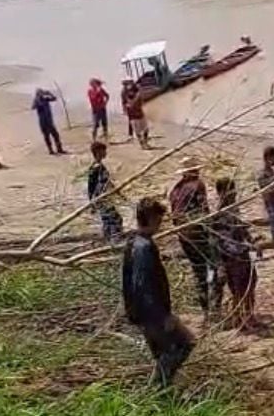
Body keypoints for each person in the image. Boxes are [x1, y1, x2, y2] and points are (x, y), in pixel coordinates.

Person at [122, 197, 194, 386]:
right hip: (151, 315)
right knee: (182, 345)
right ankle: (157, 390)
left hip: (143, 313)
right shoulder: (143, 247)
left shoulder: (133, 242)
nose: (160, 225)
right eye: (159, 220)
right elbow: (143, 286)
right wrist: (163, 316)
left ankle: (162, 392)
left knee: (164, 353)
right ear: (151, 218)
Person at [168, 157, 221, 318]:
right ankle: (216, 308)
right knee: (216, 266)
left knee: (198, 272)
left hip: (183, 235)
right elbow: (203, 211)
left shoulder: (175, 190)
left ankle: (205, 310)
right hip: (197, 233)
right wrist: (213, 230)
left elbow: (175, 215)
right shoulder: (198, 185)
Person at [213, 177, 259, 331]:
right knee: (239, 290)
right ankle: (241, 320)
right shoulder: (219, 215)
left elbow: (241, 229)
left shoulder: (233, 209)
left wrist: (251, 242)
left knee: (250, 285)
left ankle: (247, 317)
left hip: (242, 254)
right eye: (230, 191)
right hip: (233, 258)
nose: (234, 194)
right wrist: (244, 247)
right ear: (222, 193)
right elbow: (224, 241)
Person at [86, 141, 123, 242]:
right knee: (116, 219)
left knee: (107, 220)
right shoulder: (95, 168)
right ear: (98, 152)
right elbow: (91, 186)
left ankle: (108, 240)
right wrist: (92, 202)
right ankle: (115, 240)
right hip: (101, 199)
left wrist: (118, 192)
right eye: (104, 150)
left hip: (104, 198)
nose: (105, 153)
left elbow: (107, 182)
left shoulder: (100, 166)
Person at [31, 88, 65, 155]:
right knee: (47, 137)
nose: (42, 94)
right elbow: (33, 107)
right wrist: (37, 99)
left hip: (50, 121)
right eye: (40, 93)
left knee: (56, 135)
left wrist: (49, 93)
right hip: (43, 122)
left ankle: (59, 149)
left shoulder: (45, 99)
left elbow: (54, 98)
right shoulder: (37, 101)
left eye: (42, 93)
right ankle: (51, 150)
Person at [123, 81, 150, 149]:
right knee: (138, 132)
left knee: (145, 129)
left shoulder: (137, 95)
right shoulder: (128, 96)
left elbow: (141, 102)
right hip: (134, 116)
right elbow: (129, 103)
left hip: (140, 115)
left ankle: (145, 142)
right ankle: (142, 143)